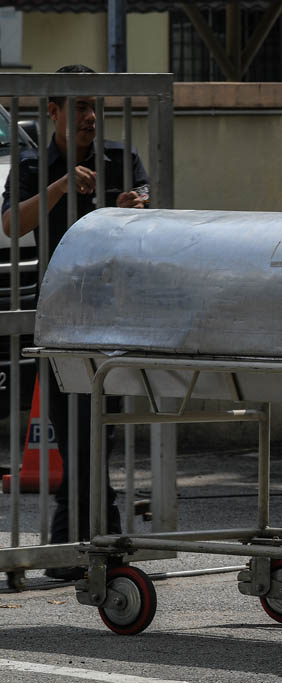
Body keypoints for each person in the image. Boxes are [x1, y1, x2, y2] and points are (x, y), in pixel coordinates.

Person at [2, 64, 148, 580]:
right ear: (53, 112)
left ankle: (79, 543)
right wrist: (61, 186)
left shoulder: (119, 158)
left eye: (95, 107)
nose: (90, 117)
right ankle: (85, 541)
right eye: (80, 107)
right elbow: (12, 224)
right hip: (60, 311)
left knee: (101, 426)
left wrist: (132, 208)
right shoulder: (32, 164)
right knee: (70, 428)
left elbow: (152, 216)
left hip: (110, 312)